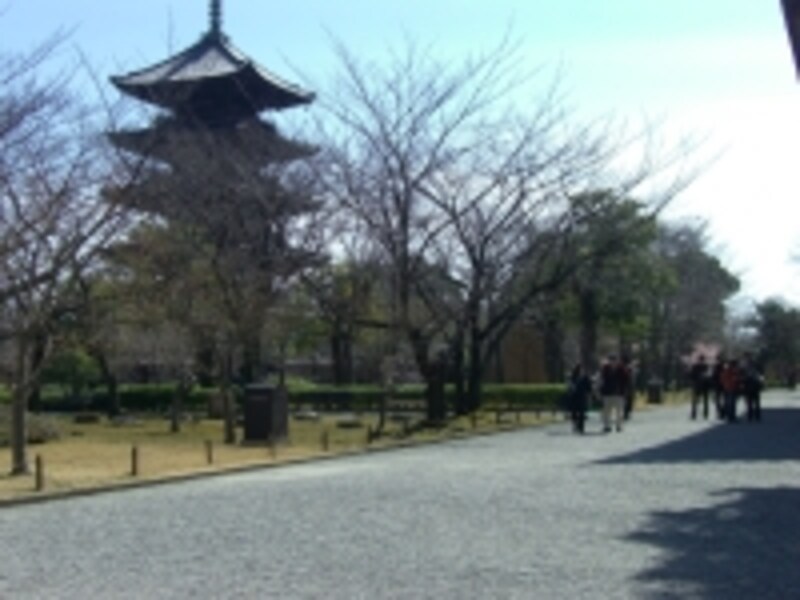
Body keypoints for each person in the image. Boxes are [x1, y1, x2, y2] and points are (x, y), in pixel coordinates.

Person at [599, 355, 625, 433]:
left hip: (618, 393)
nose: (613, 362)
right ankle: (607, 426)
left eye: (614, 360)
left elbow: (626, 381)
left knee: (619, 411)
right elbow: (602, 380)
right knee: (606, 411)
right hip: (608, 393)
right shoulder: (605, 369)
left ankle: (619, 425)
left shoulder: (621, 369)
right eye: (611, 360)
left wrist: (624, 391)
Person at [567, 363, 593, 434]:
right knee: (574, 412)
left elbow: (589, 387)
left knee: (582, 412)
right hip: (574, 396)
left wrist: (589, 393)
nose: (581, 371)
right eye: (580, 369)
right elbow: (569, 386)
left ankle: (581, 427)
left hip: (582, 396)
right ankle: (575, 424)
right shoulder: (573, 377)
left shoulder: (585, 377)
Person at [689, 354, 711, 420]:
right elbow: (709, 376)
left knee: (695, 401)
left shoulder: (695, 366)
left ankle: (694, 414)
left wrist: (694, 381)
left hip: (697, 385)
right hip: (704, 386)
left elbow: (691, 375)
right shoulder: (706, 366)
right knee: (705, 401)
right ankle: (705, 414)